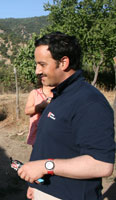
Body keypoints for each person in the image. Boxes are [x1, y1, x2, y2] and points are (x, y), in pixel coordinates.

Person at [18, 32, 115, 200]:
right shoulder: (61, 95)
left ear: (63, 62)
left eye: (42, 64)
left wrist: (45, 166)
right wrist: (35, 186)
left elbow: (102, 165)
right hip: (46, 190)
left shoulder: (89, 102)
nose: (37, 71)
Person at [25, 77, 54, 145]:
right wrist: (40, 106)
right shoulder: (35, 93)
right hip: (37, 133)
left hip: (53, 133)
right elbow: (27, 111)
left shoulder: (58, 94)